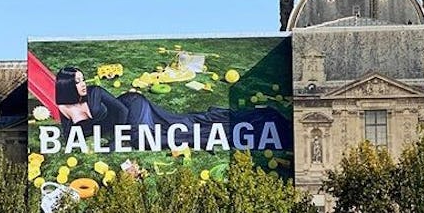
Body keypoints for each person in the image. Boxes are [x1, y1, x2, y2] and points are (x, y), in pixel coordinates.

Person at [54, 67, 292, 150]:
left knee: (178, 133)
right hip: (129, 124)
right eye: (77, 81)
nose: (83, 84)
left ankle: (261, 121)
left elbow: (123, 113)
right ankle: (254, 119)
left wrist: (116, 143)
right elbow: (70, 136)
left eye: (82, 79)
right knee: (182, 126)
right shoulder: (63, 109)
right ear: (66, 85)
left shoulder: (96, 93)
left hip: (134, 109)